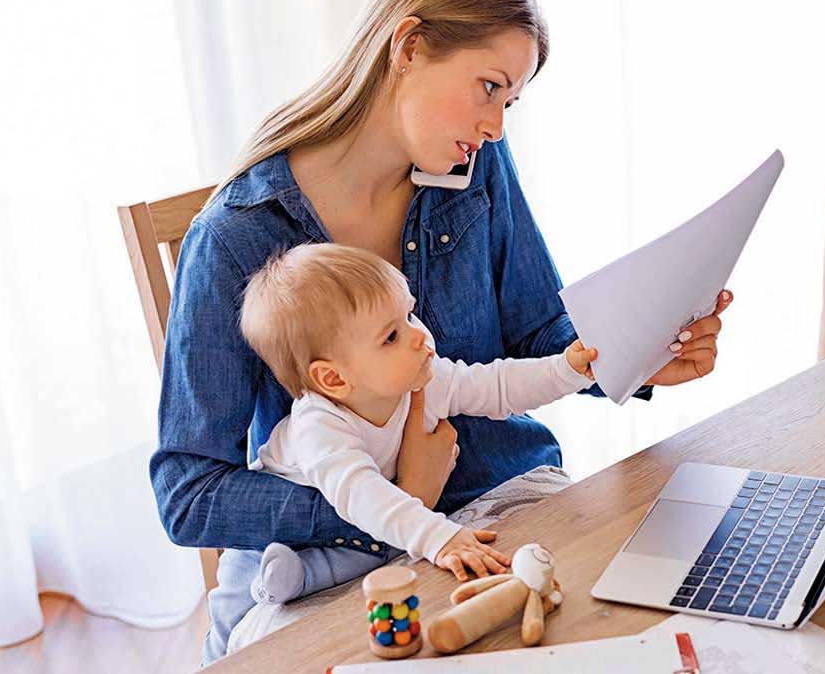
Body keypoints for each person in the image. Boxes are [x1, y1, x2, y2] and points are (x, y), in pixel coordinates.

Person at [149, 0, 730, 663]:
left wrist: (640, 354)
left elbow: (535, 328)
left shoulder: (475, 166)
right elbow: (188, 493)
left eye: (509, 101)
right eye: (488, 87)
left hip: (508, 497)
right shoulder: (237, 237)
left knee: (654, 624)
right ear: (409, 46)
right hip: (340, 554)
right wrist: (394, 498)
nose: (495, 128)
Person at [221, 242, 596, 644]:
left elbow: (496, 385)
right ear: (333, 379)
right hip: (267, 546)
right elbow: (362, 495)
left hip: (359, 533)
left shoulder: (420, 377)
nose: (419, 337)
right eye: (392, 335)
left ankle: (301, 576)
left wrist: (566, 370)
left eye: (410, 314)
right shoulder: (320, 425)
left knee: (364, 554)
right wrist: (440, 538)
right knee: (235, 621)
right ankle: (271, 595)